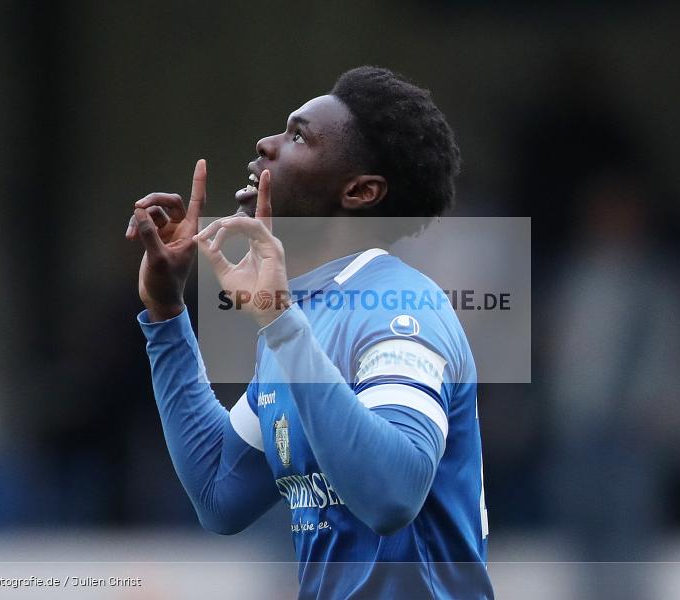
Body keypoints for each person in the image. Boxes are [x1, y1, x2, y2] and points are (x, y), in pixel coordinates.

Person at [125, 66, 493, 599]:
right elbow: (218, 490)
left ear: (361, 191)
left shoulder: (399, 310)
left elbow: (393, 496)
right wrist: (165, 311)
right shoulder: (300, 320)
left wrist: (281, 325)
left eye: (298, 136)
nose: (266, 144)